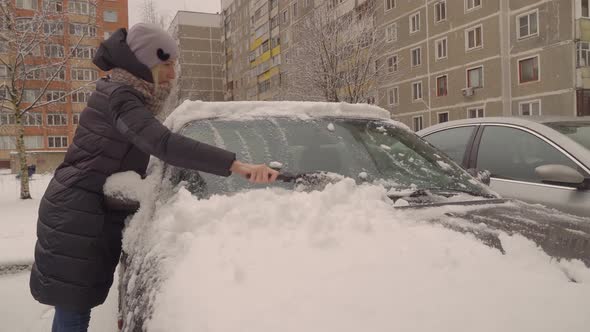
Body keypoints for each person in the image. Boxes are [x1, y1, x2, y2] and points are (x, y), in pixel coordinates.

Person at [29, 23, 279, 332]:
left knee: (75, 311)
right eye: (167, 64)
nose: (173, 74)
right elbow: (162, 144)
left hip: (79, 210)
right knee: (74, 314)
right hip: (76, 216)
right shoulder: (121, 98)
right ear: (146, 62)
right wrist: (236, 166)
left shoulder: (119, 93)